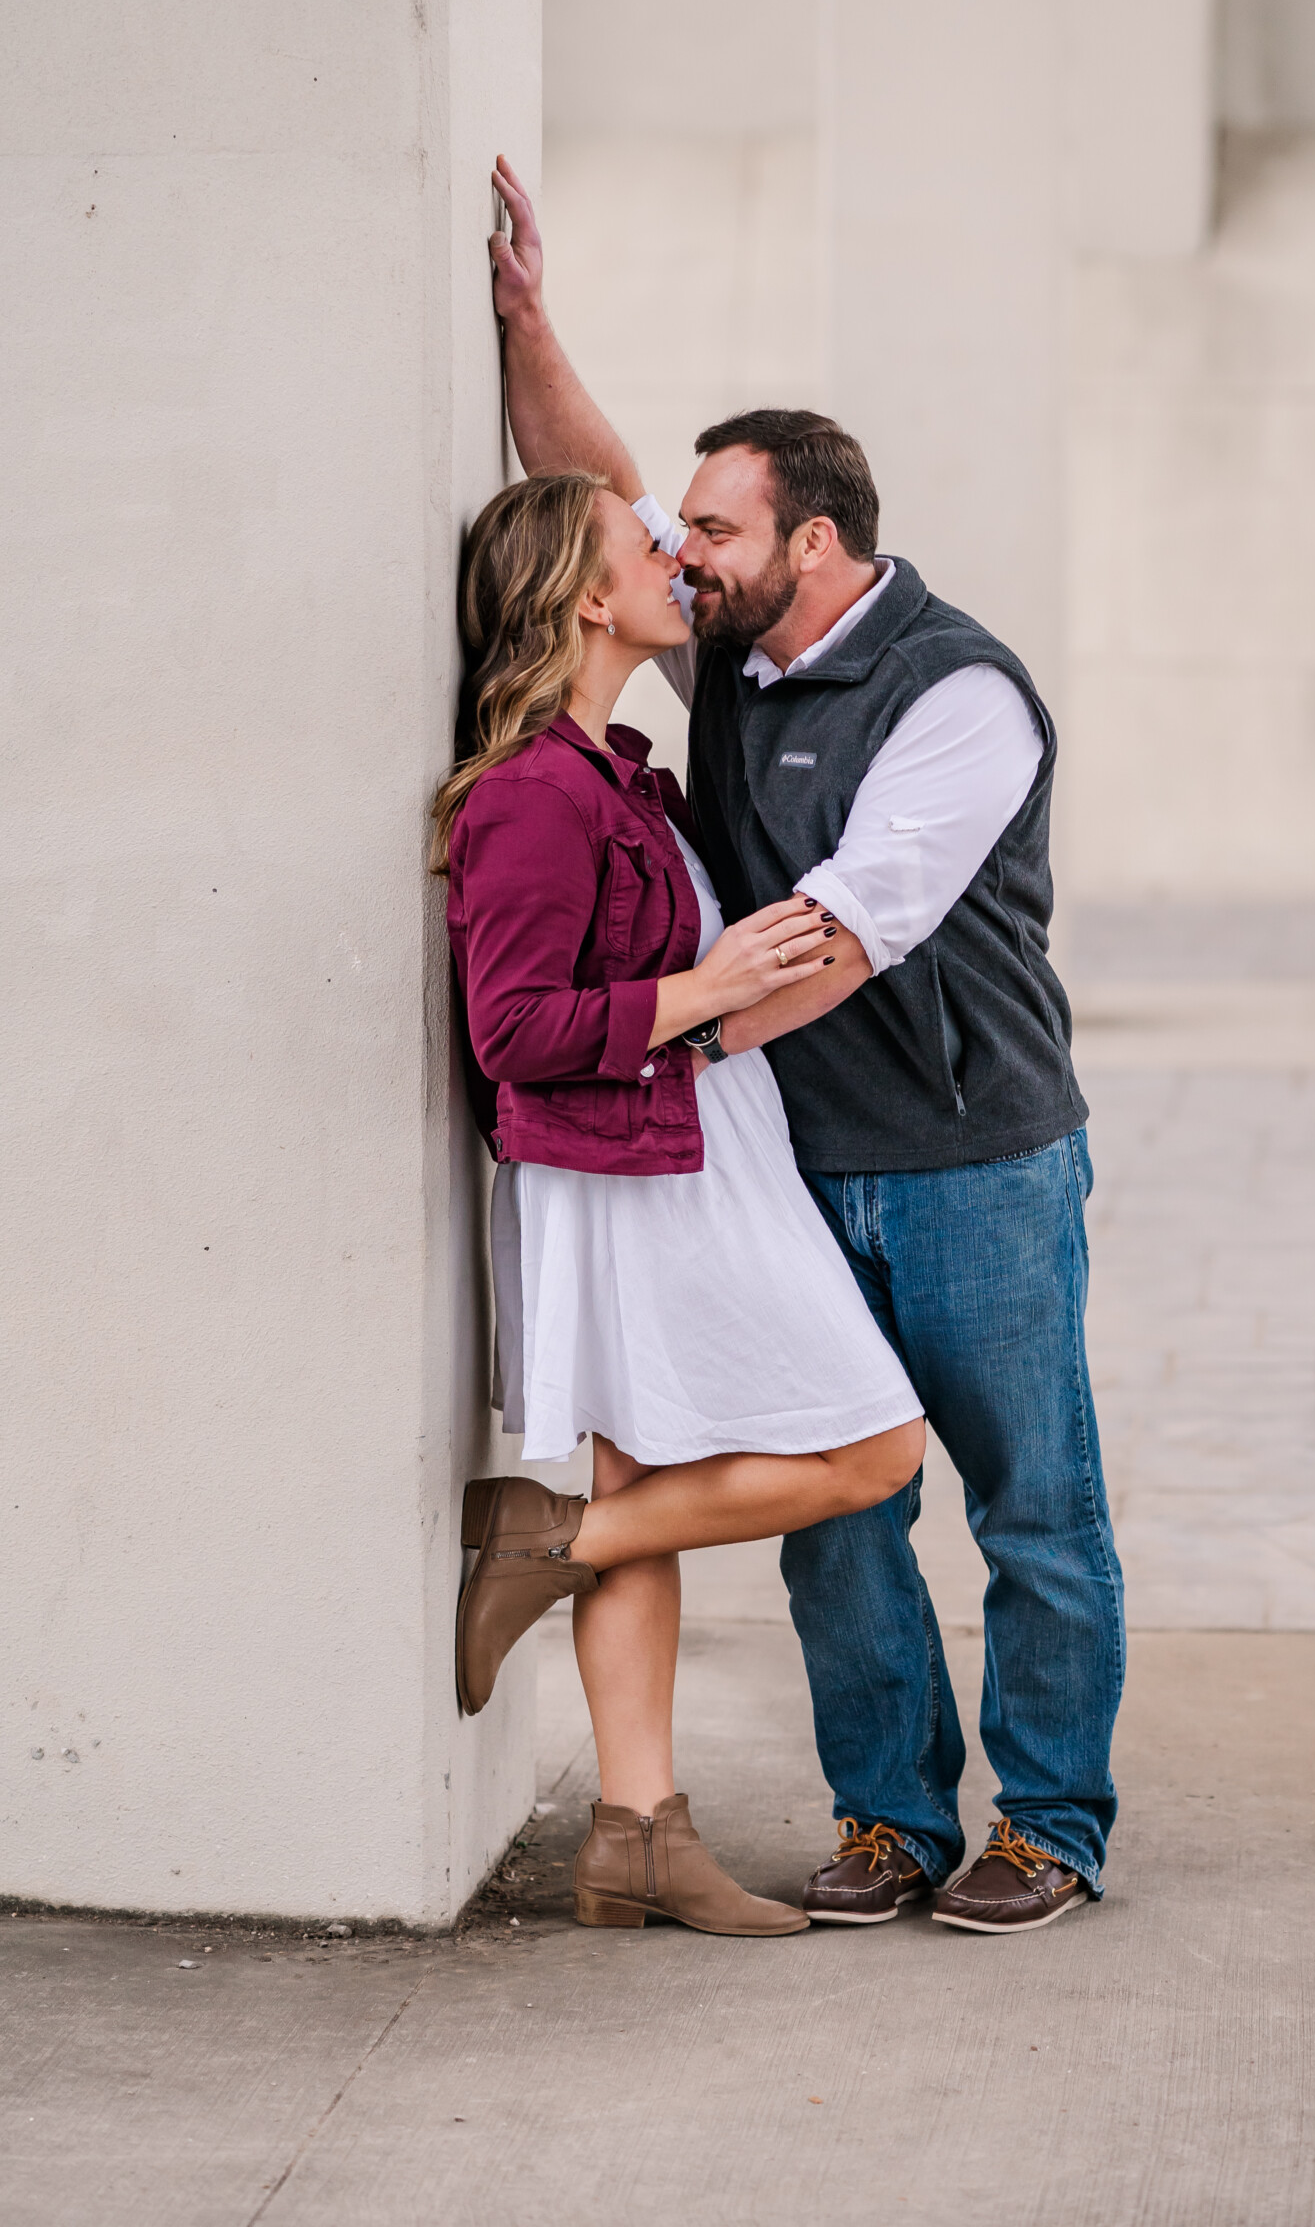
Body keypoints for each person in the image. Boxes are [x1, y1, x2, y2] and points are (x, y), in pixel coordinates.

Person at [484, 158, 1125, 1938]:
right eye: (682, 538)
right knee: (838, 1516)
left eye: (720, 532)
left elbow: (844, 937)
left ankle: (1052, 1827)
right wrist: (529, 326)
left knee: (1031, 1505)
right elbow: (595, 487)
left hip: (975, 1153)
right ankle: (890, 1821)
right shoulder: (736, 656)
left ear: (817, 547)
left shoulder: (958, 695)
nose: (683, 551)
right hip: (795, 1157)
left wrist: (647, 1044)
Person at [433, 469, 925, 1939]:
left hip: (684, 1147)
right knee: (875, 1447)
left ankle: (637, 1832)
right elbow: (513, 1026)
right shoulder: (531, 791)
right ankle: (542, 1543)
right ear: (589, 598)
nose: (672, 555)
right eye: (646, 543)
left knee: (648, 1498)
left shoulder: (618, 772)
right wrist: (708, 989)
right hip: (637, 1176)